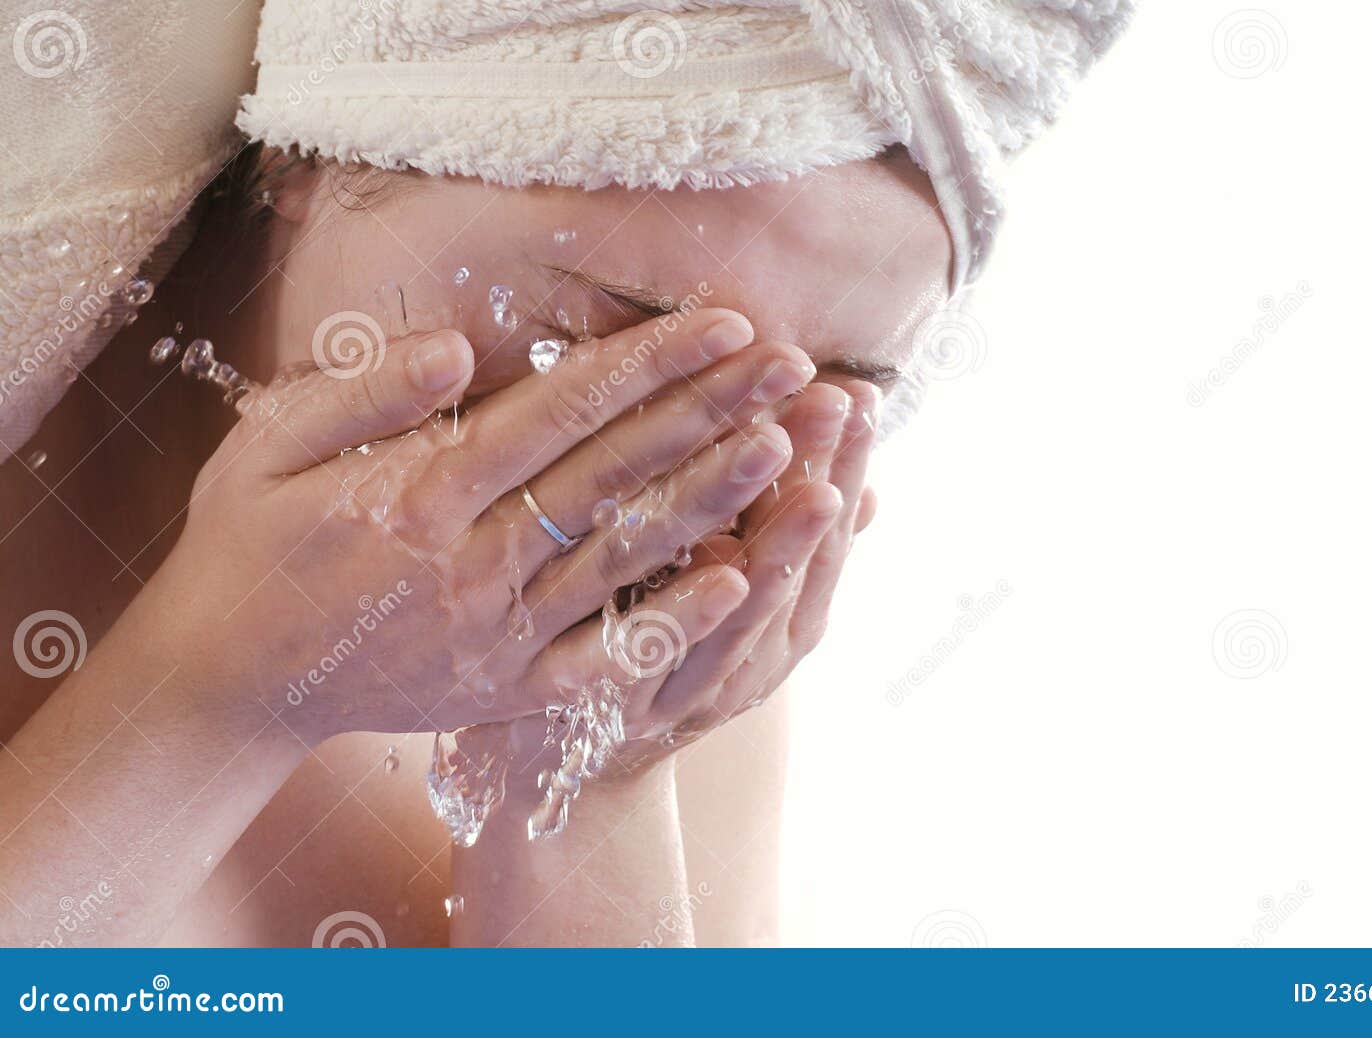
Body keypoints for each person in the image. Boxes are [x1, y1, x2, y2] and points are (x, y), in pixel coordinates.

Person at [0, 1, 1130, 946]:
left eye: (816, 387)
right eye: (605, 333)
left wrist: (593, 775)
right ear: (308, 155)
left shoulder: (687, 632)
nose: (669, 473)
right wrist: (219, 695)